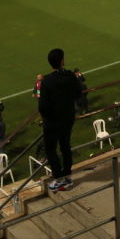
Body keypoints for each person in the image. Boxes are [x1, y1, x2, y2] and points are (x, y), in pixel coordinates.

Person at [39, 48, 82, 192]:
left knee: (51, 149)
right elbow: (78, 93)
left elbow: (43, 106)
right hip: (67, 118)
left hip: (52, 121)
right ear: (62, 61)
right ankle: (68, 177)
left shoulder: (47, 81)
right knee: (65, 146)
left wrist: (46, 117)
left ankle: (58, 179)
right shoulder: (69, 75)